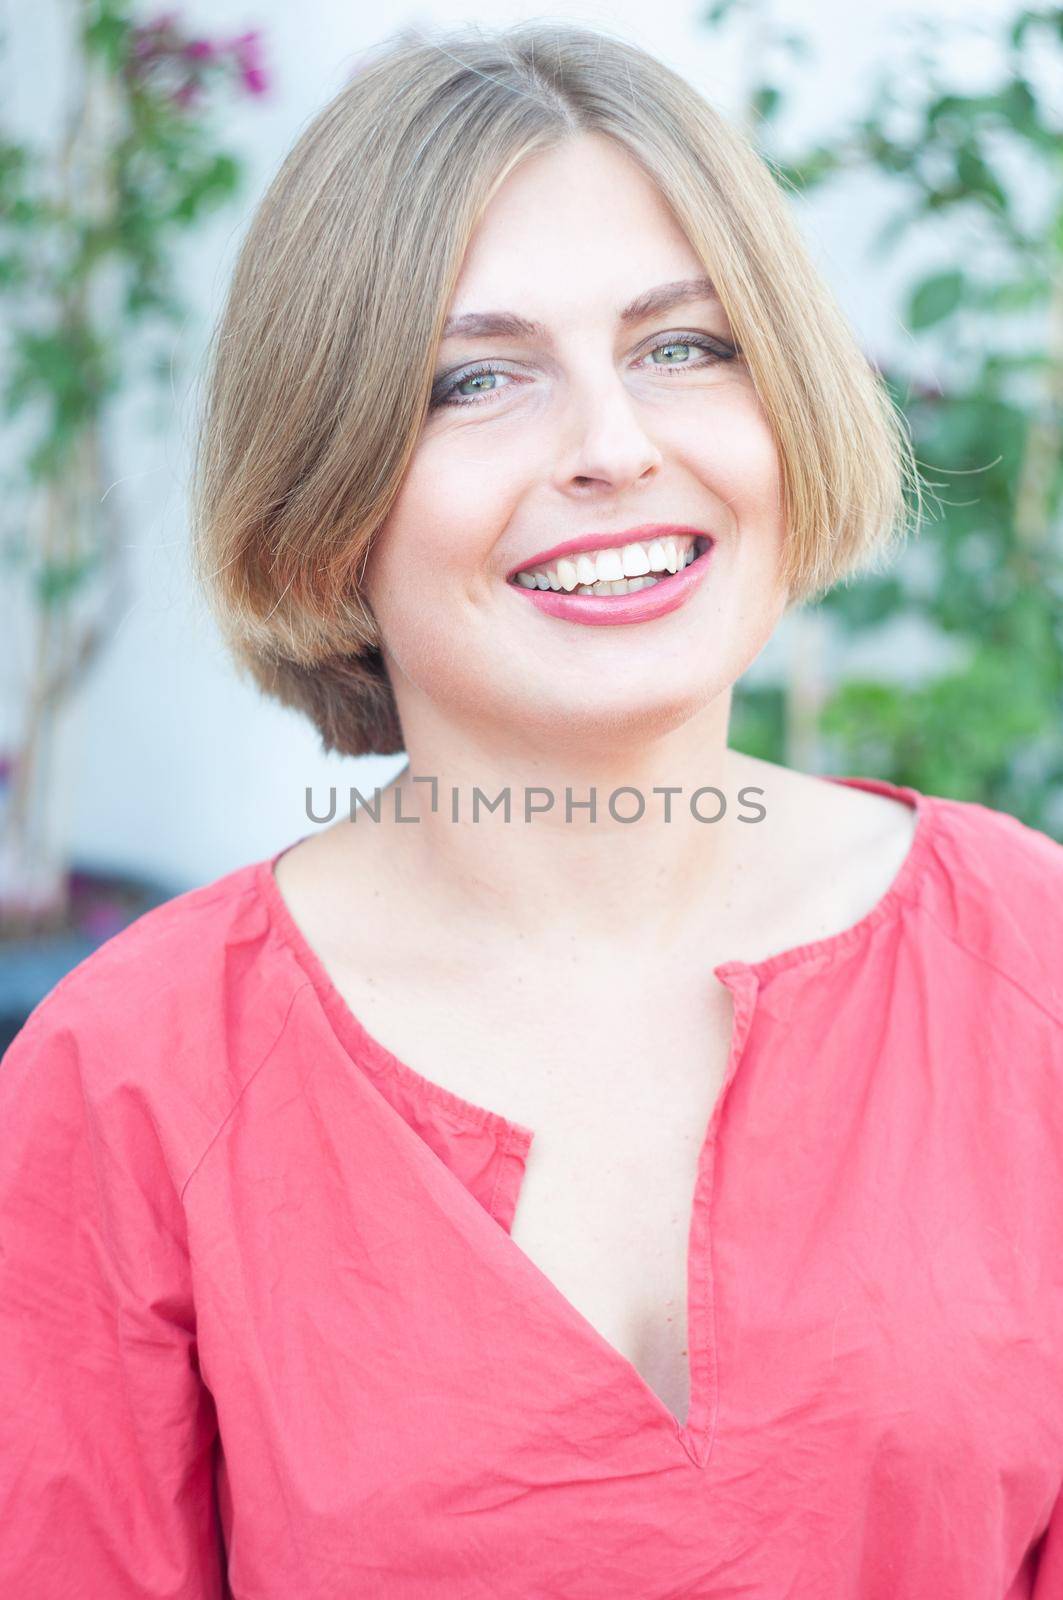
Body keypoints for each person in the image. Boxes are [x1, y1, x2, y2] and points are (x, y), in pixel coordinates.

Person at [2, 19, 1063, 1598]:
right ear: (327, 484)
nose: (614, 448)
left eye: (684, 347)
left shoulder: (1028, 958)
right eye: (476, 378)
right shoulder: (133, 1076)